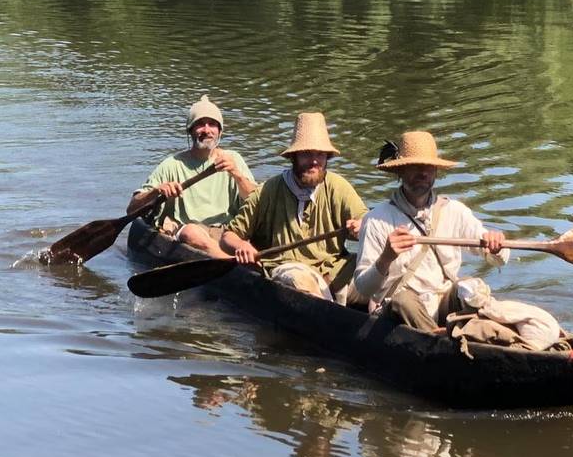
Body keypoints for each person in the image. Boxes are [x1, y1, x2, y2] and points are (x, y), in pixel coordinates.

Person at [353, 131, 507, 331]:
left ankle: (483, 336)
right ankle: (439, 345)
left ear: (436, 171)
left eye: (428, 167)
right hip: (398, 311)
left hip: (442, 303)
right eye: (415, 167)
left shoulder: (454, 211)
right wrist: (386, 258)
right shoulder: (376, 219)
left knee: (472, 287)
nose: (423, 173)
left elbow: (498, 258)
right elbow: (364, 288)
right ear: (400, 171)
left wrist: (496, 246)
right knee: (403, 300)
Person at [221, 112, 367, 303]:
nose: (314, 161)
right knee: (300, 280)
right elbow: (227, 237)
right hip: (288, 268)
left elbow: (366, 222)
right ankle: (326, 321)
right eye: (307, 154)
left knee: (382, 271)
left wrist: (361, 227)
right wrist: (242, 246)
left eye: (320, 154)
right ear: (294, 156)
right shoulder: (267, 191)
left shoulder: (338, 186)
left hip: (334, 269)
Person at [128, 95, 256, 258]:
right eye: (200, 124)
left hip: (227, 233)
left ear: (220, 131)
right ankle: (231, 263)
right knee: (191, 232)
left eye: (212, 124)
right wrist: (156, 191)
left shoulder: (233, 159)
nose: (207, 130)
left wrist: (237, 175)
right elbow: (132, 209)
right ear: (190, 130)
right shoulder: (172, 164)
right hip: (191, 233)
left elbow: (256, 202)